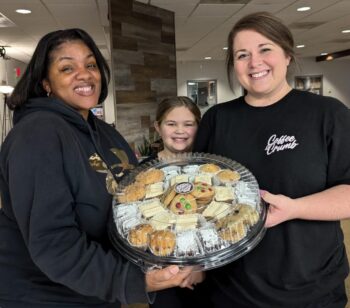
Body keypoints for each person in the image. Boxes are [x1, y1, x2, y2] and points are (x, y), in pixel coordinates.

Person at [0, 28, 194, 308]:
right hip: (43, 296)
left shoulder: (103, 131)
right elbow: (55, 244)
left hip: (93, 291)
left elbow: (132, 199)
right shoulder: (37, 135)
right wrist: (133, 281)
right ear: (46, 83)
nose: (84, 74)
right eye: (67, 67)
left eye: (90, 65)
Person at [193, 12, 350, 307]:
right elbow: (201, 193)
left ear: (288, 55)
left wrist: (295, 208)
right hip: (230, 288)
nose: (255, 63)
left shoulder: (328, 114)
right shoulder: (217, 119)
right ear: (234, 65)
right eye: (242, 55)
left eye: (265, 49)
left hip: (311, 290)